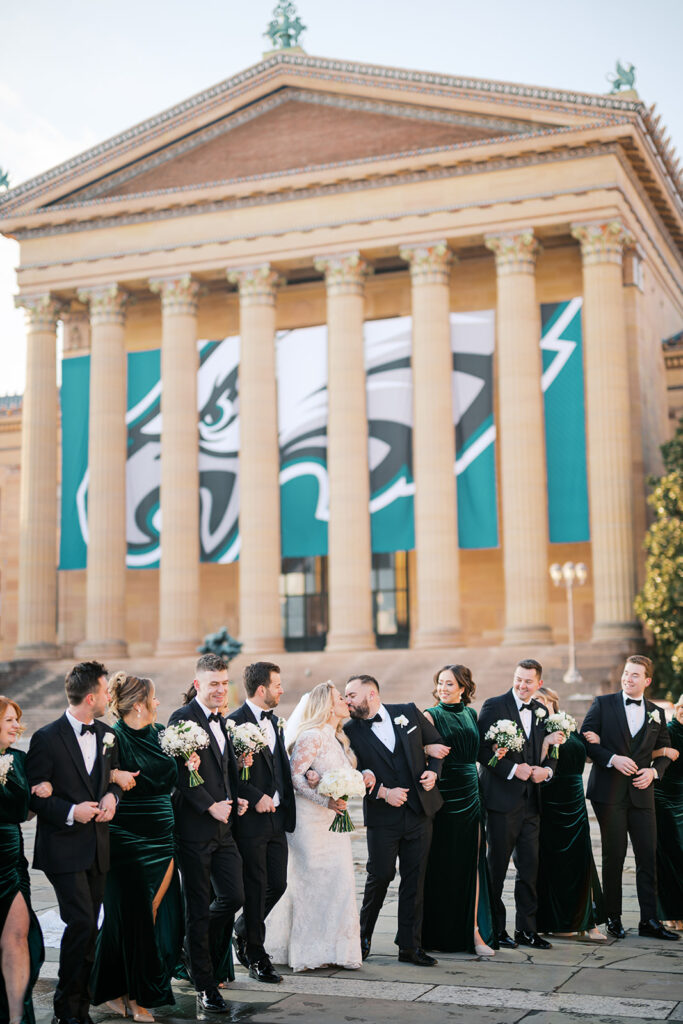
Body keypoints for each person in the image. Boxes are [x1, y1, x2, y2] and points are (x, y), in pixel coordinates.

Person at [25, 661, 122, 1024]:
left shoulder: (108, 734)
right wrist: (70, 811)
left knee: (88, 927)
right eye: (106, 691)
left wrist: (113, 796)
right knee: (81, 922)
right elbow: (34, 798)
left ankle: (79, 1010)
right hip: (62, 849)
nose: (110, 697)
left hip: (97, 847)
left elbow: (112, 781)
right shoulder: (46, 738)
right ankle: (67, 1010)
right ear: (91, 697)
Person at [91, 673, 184, 1021]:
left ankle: (110, 987)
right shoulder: (112, 738)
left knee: (150, 914)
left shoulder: (162, 734)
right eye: (154, 698)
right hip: (126, 838)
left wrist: (190, 763)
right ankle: (135, 997)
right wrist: (112, 775)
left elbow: (174, 777)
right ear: (139, 705)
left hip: (163, 836)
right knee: (135, 919)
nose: (159, 703)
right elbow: (88, 775)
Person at [344, 674, 445, 966]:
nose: (347, 701)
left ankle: (410, 947)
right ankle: (362, 939)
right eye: (346, 696)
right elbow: (350, 774)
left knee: (415, 879)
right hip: (382, 817)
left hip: (419, 811)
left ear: (372, 694)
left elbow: (436, 744)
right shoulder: (349, 731)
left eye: (352, 695)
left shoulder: (408, 712)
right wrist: (383, 792)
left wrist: (434, 771)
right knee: (379, 876)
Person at [168, 653, 247, 1014]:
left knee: (234, 895)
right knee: (198, 906)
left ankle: (189, 943)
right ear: (198, 684)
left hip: (224, 829)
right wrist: (208, 805)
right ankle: (204, 985)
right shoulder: (182, 719)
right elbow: (181, 774)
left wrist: (234, 797)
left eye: (224, 682)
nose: (220, 689)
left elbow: (222, 769)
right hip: (195, 829)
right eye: (213, 683)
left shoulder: (223, 721)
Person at [265, 682, 362, 971]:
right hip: (309, 824)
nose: (346, 701)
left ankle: (337, 949)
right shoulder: (312, 736)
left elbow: (328, 775)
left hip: (332, 823)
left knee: (339, 883)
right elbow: (294, 778)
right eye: (340, 698)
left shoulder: (338, 739)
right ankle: (307, 952)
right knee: (311, 884)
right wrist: (324, 799)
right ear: (327, 705)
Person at [581, 654, 678, 941]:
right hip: (608, 793)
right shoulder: (602, 704)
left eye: (635, 675)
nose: (628, 678)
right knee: (614, 855)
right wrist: (612, 758)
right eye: (626, 673)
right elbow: (585, 741)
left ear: (647, 681)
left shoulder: (656, 712)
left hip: (642, 793)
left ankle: (649, 919)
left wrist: (654, 772)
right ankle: (613, 917)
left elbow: (665, 749)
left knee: (648, 856)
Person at [477, 658, 555, 951]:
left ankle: (527, 930)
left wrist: (547, 771)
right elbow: (481, 750)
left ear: (539, 684)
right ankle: (495, 929)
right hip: (501, 801)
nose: (522, 685)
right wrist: (511, 769)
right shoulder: (494, 706)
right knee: (496, 868)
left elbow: (552, 749)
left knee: (529, 869)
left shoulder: (541, 710)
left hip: (532, 803)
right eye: (518, 679)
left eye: (528, 681)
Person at [421, 665, 497, 956]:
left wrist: (495, 755)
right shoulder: (430, 715)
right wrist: (427, 751)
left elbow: (476, 753)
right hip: (445, 797)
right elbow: (418, 753)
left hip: (472, 794)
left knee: (473, 862)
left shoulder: (471, 714)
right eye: (440, 683)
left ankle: (474, 932)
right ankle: (438, 934)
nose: (443, 688)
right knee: (443, 864)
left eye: (449, 684)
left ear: (463, 688)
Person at [228, 663, 295, 984]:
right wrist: (255, 796)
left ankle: (242, 929)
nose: (282, 690)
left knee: (277, 884)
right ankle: (256, 955)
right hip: (251, 821)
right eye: (277, 685)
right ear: (261, 689)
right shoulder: (233, 723)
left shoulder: (275, 722)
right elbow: (228, 774)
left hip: (278, 818)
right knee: (255, 887)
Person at [534, 686, 606, 942]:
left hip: (575, 802)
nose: (539, 705)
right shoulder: (536, 730)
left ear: (552, 702)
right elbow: (536, 763)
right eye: (534, 702)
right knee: (554, 862)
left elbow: (584, 756)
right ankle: (553, 920)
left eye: (542, 700)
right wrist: (545, 742)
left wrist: (594, 741)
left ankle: (589, 922)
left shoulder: (567, 724)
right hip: (552, 802)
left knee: (581, 858)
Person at [0, 697, 44, 1024]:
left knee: (19, 935)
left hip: (11, 858)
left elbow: (26, 812)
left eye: (17, 719)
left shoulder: (19, 759)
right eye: (9, 720)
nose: (17, 725)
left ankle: (17, 1018)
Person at [652, 695, 682, 928]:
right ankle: (670, 913)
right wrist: (663, 751)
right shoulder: (668, 730)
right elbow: (643, 753)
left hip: (682, 797)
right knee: (670, 853)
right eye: (681, 706)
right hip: (663, 798)